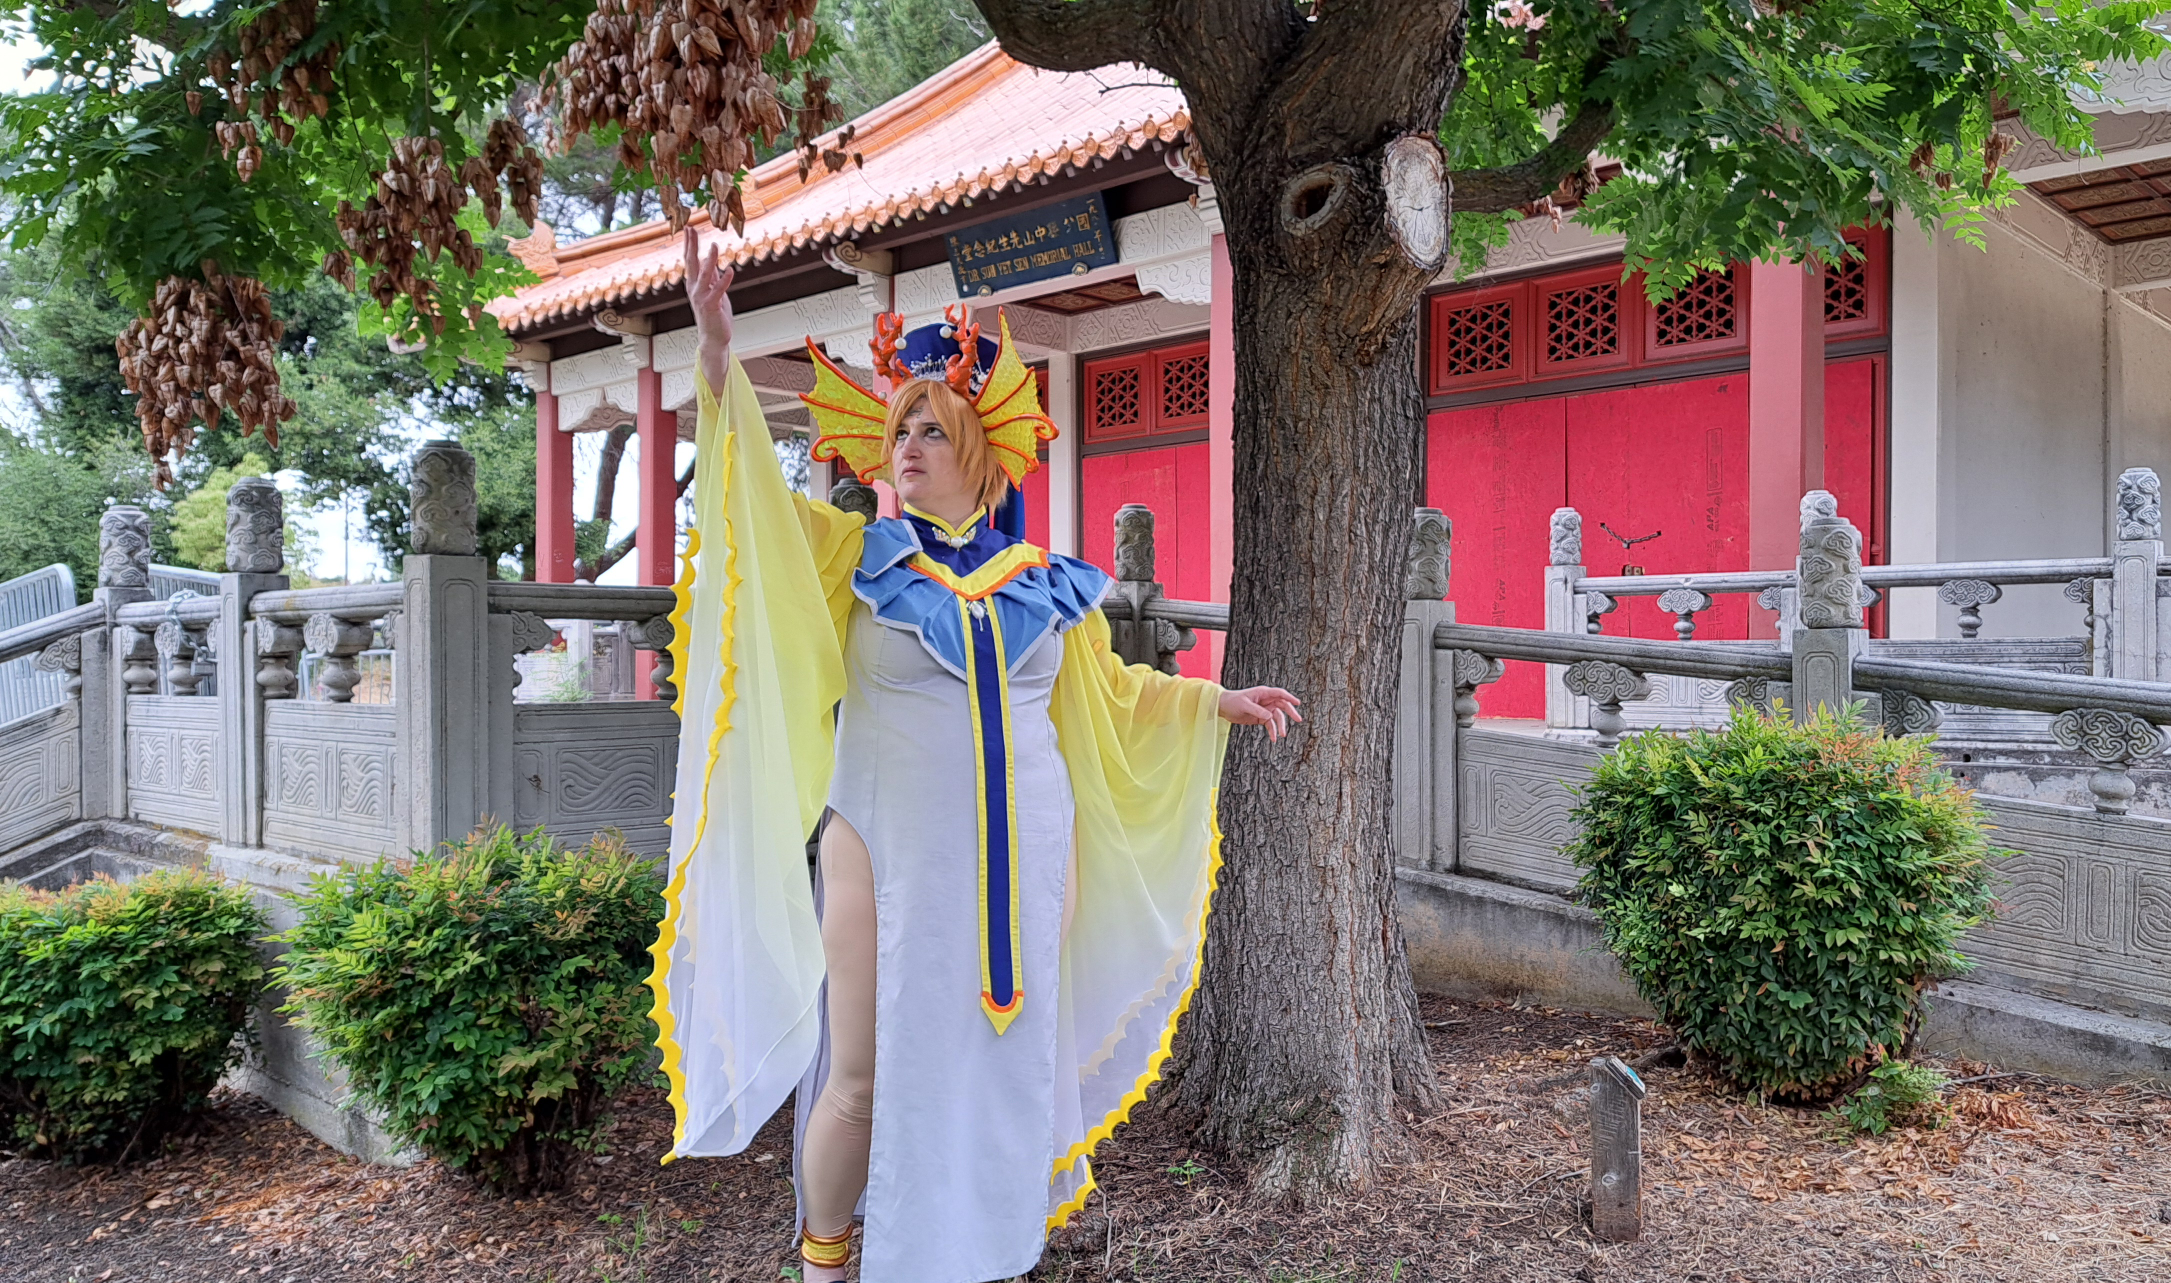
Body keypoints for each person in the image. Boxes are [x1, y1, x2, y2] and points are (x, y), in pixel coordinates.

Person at [646, 228, 1301, 1283]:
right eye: (899, 427)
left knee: (1002, 1061)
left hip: (1032, 851)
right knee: (858, 1074)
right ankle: (827, 1265)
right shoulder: (855, 555)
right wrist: (715, 356)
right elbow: (746, 509)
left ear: (981, 452)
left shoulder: (1047, 580)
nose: (906, 447)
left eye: (931, 430)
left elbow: (1108, 693)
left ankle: (985, 1258)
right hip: (880, 845)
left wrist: (1217, 698)